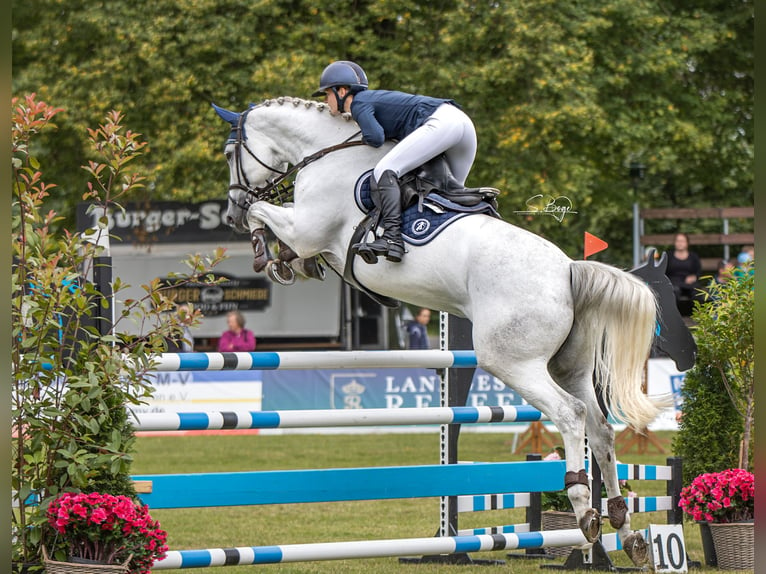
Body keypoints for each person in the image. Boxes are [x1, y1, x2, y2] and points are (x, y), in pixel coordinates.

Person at [313, 60, 477, 263]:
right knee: (450, 195)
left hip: (441, 123)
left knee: (384, 170)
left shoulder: (358, 103)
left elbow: (376, 137)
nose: (326, 100)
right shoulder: (370, 99)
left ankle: (392, 238)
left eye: (327, 93)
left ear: (343, 91)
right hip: (463, 124)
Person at [664, 232, 701, 315]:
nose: (680, 243)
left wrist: (694, 277)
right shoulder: (668, 256)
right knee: (674, 292)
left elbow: (698, 272)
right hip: (673, 283)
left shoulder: (693, 256)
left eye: (682, 241)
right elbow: (663, 272)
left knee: (697, 293)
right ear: (675, 243)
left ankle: (697, 317)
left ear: (687, 243)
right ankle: (673, 317)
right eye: (678, 241)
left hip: (689, 284)